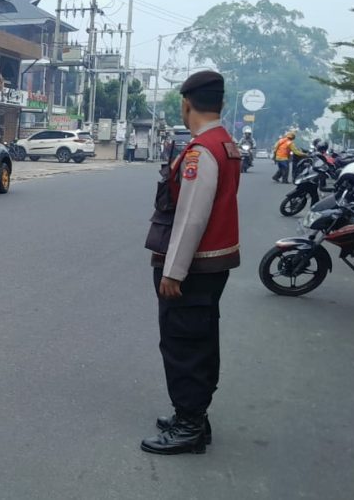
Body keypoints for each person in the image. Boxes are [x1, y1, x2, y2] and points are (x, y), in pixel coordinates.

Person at [142, 70, 240, 455]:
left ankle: (189, 426)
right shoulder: (225, 143)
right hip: (213, 265)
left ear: (186, 103)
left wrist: (173, 271)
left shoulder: (202, 150)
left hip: (194, 268)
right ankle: (194, 415)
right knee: (199, 339)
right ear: (221, 103)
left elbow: (191, 216)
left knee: (183, 343)